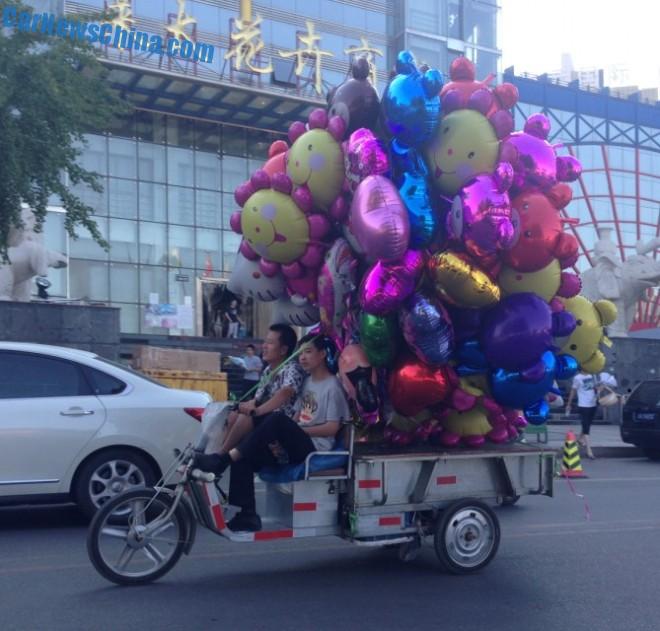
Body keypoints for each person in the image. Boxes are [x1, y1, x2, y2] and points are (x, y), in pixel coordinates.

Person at [195, 333, 351, 532]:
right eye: (301, 353)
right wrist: (283, 435)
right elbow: (296, 416)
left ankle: (222, 460)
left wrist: (296, 431)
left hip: (315, 447)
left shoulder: (333, 386)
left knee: (275, 418)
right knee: (244, 457)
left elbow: (332, 427)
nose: (303, 357)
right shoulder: (308, 382)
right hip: (297, 441)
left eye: (309, 352)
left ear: (322, 354)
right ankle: (247, 515)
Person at [220, 324, 305, 455]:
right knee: (233, 415)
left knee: (247, 418)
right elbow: (258, 398)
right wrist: (243, 406)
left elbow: (285, 393)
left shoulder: (292, 368)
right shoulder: (267, 371)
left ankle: (220, 456)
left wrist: (257, 411)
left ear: (283, 350)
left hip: (281, 425)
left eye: (270, 343)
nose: (264, 346)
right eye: (265, 341)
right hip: (265, 421)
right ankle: (219, 454)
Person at [566, 369, 613, 459]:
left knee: (587, 424)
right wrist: (568, 404)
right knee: (586, 427)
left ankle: (579, 439)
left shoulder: (592, 376)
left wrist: (608, 390)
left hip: (593, 404)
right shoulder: (577, 378)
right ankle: (589, 450)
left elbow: (596, 388)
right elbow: (573, 391)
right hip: (583, 405)